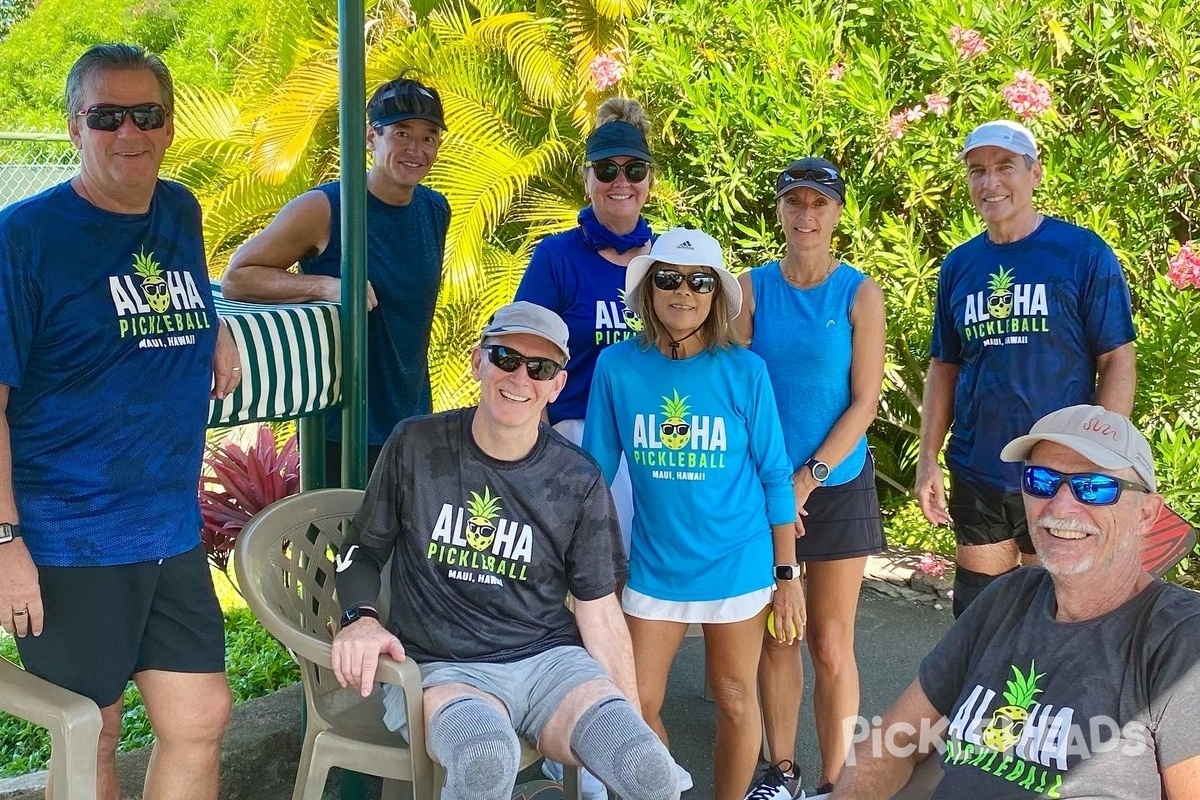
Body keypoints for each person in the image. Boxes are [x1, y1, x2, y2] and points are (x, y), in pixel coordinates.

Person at [0, 43, 241, 800]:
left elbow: (181, 284)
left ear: (170, 128)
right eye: (107, 116)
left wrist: (216, 323)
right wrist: (4, 541)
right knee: (91, 729)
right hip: (69, 530)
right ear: (75, 126)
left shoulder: (179, 209)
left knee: (201, 716)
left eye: (148, 115)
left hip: (166, 523)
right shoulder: (24, 238)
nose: (128, 133)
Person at [331, 301, 678, 800]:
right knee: (484, 758)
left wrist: (634, 723)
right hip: (443, 666)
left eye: (540, 368)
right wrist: (360, 618)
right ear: (478, 361)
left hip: (551, 664)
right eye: (505, 357)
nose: (520, 377)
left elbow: (599, 610)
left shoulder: (576, 478)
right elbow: (362, 548)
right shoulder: (417, 445)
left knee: (648, 768)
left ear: (558, 385)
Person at [831, 405, 1200, 799]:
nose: (1060, 506)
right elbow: (891, 745)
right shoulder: (1007, 598)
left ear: (1146, 514)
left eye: (1094, 486)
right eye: (1041, 480)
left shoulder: (1180, 639)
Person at [583, 228, 805, 800]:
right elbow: (594, 470)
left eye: (700, 281)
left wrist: (787, 576)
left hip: (738, 560)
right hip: (656, 563)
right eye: (669, 279)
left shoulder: (745, 371)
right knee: (635, 703)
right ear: (649, 290)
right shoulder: (617, 367)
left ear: (716, 295)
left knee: (735, 697)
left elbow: (775, 475)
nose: (684, 292)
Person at [914, 119, 1137, 617]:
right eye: (977, 171)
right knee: (979, 615)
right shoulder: (959, 265)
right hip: (979, 468)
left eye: (1004, 167)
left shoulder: (1081, 253)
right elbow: (944, 366)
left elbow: (1117, 358)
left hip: (1057, 476)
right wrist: (928, 458)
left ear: (1034, 173)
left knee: (1053, 618)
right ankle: (981, 700)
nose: (990, 182)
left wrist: (1102, 452)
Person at [732, 158, 886, 799]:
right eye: (795, 203)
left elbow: (864, 400)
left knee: (828, 642)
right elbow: (735, 388)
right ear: (780, 211)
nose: (806, 215)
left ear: (837, 213)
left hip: (838, 483)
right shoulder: (751, 288)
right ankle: (781, 771)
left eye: (819, 204)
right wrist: (778, 485)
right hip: (767, 488)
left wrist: (809, 477)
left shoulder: (859, 292)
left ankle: (834, 781)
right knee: (777, 636)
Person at [221, 74, 449, 485]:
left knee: (406, 546)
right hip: (341, 422)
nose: (416, 149)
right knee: (339, 546)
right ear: (371, 137)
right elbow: (238, 277)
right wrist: (325, 286)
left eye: (429, 137)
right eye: (401, 133)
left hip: (412, 418)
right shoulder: (327, 207)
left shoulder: (435, 210)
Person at [514, 96, 655, 555]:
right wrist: (536, 452)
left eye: (634, 170)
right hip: (576, 436)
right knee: (586, 580)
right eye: (606, 169)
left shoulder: (670, 259)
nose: (621, 182)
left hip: (657, 437)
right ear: (587, 177)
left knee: (648, 587)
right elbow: (525, 355)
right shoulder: (557, 257)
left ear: (649, 181)